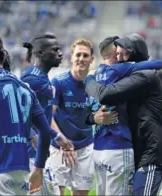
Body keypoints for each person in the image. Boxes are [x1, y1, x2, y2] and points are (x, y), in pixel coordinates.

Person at [84, 33, 162, 196]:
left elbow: (104, 94)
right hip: (136, 151)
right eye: (118, 54)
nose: (121, 58)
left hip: (149, 153)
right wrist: (94, 118)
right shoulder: (124, 76)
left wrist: (88, 79)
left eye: (124, 53)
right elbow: (88, 112)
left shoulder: (145, 75)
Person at [0, 31, 68, 195]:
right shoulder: (25, 89)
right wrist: (39, 168)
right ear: (2, 55)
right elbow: (44, 130)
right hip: (22, 172)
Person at [21, 33, 74, 195]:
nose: (60, 53)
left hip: (38, 155)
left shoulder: (42, 79)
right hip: (29, 155)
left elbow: (41, 120)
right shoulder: (33, 80)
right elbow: (19, 115)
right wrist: (32, 136)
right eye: (55, 49)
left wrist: (57, 136)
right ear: (40, 53)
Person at [47, 38, 95, 196]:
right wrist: (62, 140)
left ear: (91, 59)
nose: (81, 59)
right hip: (59, 147)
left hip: (85, 147)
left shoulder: (96, 85)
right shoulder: (59, 82)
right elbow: (48, 115)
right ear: (71, 57)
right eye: (78, 55)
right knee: (56, 193)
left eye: (85, 55)